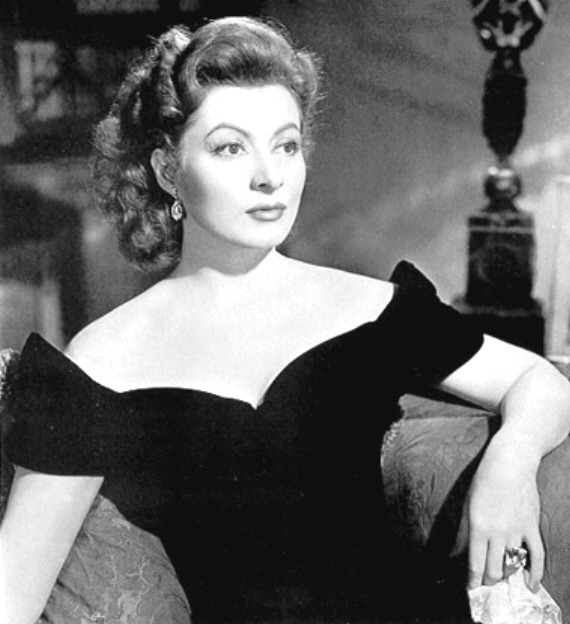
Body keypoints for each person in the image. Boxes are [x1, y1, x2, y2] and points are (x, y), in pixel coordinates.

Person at [1, 14, 570, 624]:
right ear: (168, 170)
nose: (269, 176)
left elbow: (539, 380)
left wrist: (509, 468)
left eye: (287, 145)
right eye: (230, 147)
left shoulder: (373, 309)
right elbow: (13, 591)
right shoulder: (100, 362)